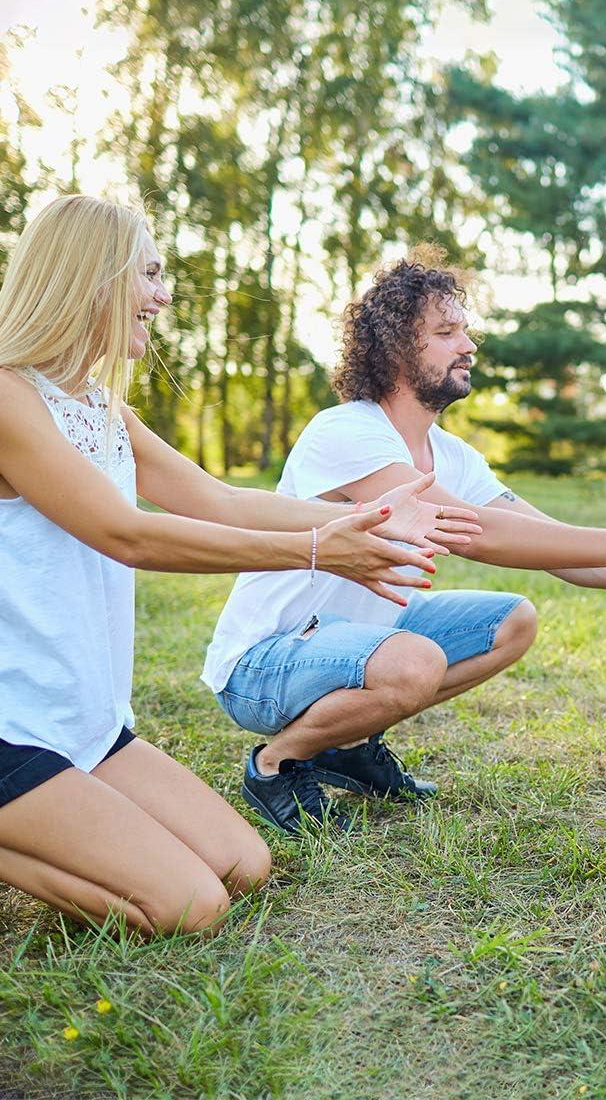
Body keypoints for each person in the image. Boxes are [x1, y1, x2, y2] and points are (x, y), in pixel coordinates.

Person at [0, 196, 481, 936]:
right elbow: (126, 535)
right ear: (91, 275)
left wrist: (368, 521)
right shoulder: (7, 396)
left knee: (243, 865)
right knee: (190, 908)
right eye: (149, 274)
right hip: (12, 724)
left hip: (83, 719)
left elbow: (218, 499)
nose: (162, 295)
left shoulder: (101, 409)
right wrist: (320, 551)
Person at [203, 249, 606, 833]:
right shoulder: (346, 432)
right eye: (446, 332)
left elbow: (547, 541)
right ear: (395, 350)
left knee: (514, 621)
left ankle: (348, 744)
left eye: (466, 330)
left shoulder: (455, 458)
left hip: (356, 645)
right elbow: (476, 534)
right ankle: (275, 764)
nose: (468, 346)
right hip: (266, 661)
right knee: (415, 662)